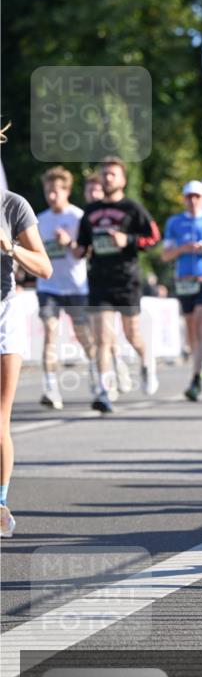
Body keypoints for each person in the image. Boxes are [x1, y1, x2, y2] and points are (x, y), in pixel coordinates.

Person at [77, 156, 161, 413]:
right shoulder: (90, 212)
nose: (107, 178)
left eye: (112, 174)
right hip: (99, 281)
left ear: (123, 179)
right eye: (104, 174)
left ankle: (147, 363)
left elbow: (154, 237)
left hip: (127, 280)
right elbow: (82, 246)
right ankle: (103, 391)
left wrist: (128, 240)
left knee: (131, 334)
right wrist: (74, 249)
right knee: (102, 338)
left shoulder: (132, 208)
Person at [1, 125, 53, 536]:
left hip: (3, 315)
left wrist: (11, 247)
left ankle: (0, 503)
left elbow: (45, 266)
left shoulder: (12, 205)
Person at [36, 166, 97, 410]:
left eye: (56, 192)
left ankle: (99, 375)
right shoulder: (39, 219)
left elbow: (86, 253)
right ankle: (51, 388)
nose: (51, 196)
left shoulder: (79, 217)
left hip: (76, 286)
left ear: (67, 191)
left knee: (83, 336)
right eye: (48, 191)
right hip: (48, 287)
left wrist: (68, 242)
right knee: (50, 333)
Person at [162, 181, 202, 401]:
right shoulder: (175, 222)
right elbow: (165, 255)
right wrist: (182, 249)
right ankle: (200, 362)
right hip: (184, 281)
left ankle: (195, 378)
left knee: (200, 322)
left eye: (197, 197)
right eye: (189, 197)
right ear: (184, 199)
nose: (193, 201)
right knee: (191, 330)